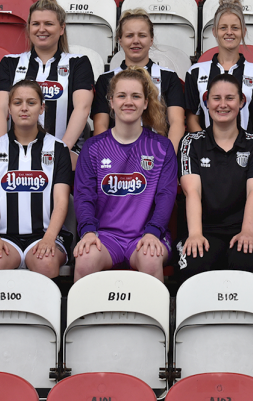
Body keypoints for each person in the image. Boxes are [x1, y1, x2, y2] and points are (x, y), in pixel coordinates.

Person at [73, 66, 177, 282]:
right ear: (111, 101)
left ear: (146, 102)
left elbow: (166, 196)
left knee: (150, 257)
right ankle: (83, 317)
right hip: (105, 237)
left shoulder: (162, 147)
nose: (128, 102)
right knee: (85, 257)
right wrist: (88, 231)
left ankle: (153, 316)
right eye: (121, 96)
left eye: (136, 96)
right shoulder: (93, 147)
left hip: (146, 234)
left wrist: (153, 232)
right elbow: (84, 196)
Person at [177, 74, 253, 279]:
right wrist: (195, 235)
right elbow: (191, 192)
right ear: (207, 101)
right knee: (194, 263)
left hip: (244, 227)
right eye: (216, 98)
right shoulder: (191, 142)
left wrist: (247, 232)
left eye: (230, 98)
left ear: (242, 101)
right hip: (203, 228)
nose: (223, 105)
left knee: (245, 261)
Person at [0, 80, 72, 278]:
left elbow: (62, 201)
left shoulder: (58, 149)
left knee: (46, 263)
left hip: (46, 235)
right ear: (9, 109)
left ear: (42, 107)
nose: (24, 108)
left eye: (31, 102)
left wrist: (49, 238)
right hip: (3, 236)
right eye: (18, 102)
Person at [0, 0, 94, 168]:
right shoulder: (10, 62)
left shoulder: (78, 63)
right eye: (36, 24)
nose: (41, 29)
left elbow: (82, 109)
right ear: (29, 27)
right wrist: (4, 148)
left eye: (48, 23)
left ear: (62, 28)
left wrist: (61, 150)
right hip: (16, 147)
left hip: (67, 148)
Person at [185, 0, 253, 138]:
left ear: (243, 31)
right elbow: (192, 119)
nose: (229, 32)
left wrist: (250, 148)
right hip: (208, 154)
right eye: (223, 27)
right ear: (214, 31)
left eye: (235, 28)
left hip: (248, 153)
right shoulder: (196, 72)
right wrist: (205, 148)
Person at [91, 8, 186, 152]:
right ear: (120, 40)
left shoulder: (169, 77)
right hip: (116, 155)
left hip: (157, 155)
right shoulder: (106, 79)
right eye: (129, 35)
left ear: (151, 39)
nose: (136, 41)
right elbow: (101, 126)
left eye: (142, 35)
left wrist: (167, 158)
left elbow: (177, 122)